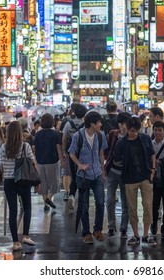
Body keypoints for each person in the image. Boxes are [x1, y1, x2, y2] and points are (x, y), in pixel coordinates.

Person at [114, 116, 156, 246]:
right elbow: (116, 159)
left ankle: (146, 234)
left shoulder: (145, 138)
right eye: (132, 130)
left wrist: (153, 169)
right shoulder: (121, 142)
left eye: (136, 130)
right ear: (127, 128)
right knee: (132, 208)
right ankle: (136, 235)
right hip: (129, 178)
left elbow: (152, 154)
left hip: (145, 176)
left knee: (148, 206)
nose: (134, 133)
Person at [69, 111, 107, 244]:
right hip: (83, 176)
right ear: (92, 124)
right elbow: (71, 153)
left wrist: (103, 171)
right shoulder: (77, 136)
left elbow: (101, 153)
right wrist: (80, 165)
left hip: (97, 174)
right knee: (84, 205)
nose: (100, 124)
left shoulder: (101, 135)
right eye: (98, 122)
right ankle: (86, 233)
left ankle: (98, 230)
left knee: (100, 203)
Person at [0, 121, 37, 251]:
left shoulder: (3, 147)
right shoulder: (25, 146)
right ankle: (26, 235)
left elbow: (2, 166)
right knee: (27, 207)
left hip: (9, 181)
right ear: (20, 132)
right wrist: (38, 180)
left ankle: (15, 242)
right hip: (23, 180)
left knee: (13, 212)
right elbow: (33, 162)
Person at [104, 112, 130, 239]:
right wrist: (105, 166)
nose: (123, 127)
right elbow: (106, 151)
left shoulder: (133, 136)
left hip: (126, 173)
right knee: (109, 200)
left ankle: (124, 228)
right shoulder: (113, 134)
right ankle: (111, 226)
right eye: (120, 124)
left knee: (126, 202)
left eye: (124, 124)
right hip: (113, 171)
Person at [33, 113, 65, 211]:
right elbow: (59, 148)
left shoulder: (37, 134)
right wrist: (62, 160)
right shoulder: (55, 134)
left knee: (43, 184)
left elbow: (34, 148)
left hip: (40, 162)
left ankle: (46, 202)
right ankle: (48, 200)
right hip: (53, 162)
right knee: (54, 184)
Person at [151, 121, 164, 241]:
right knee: (154, 204)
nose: (157, 132)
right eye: (155, 130)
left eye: (160, 130)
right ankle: (153, 227)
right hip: (154, 179)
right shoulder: (150, 144)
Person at [62, 103, 87, 207]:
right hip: (83, 153)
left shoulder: (69, 124)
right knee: (83, 174)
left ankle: (72, 194)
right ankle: (82, 195)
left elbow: (64, 139)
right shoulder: (86, 125)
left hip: (71, 153)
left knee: (73, 174)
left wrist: (64, 151)